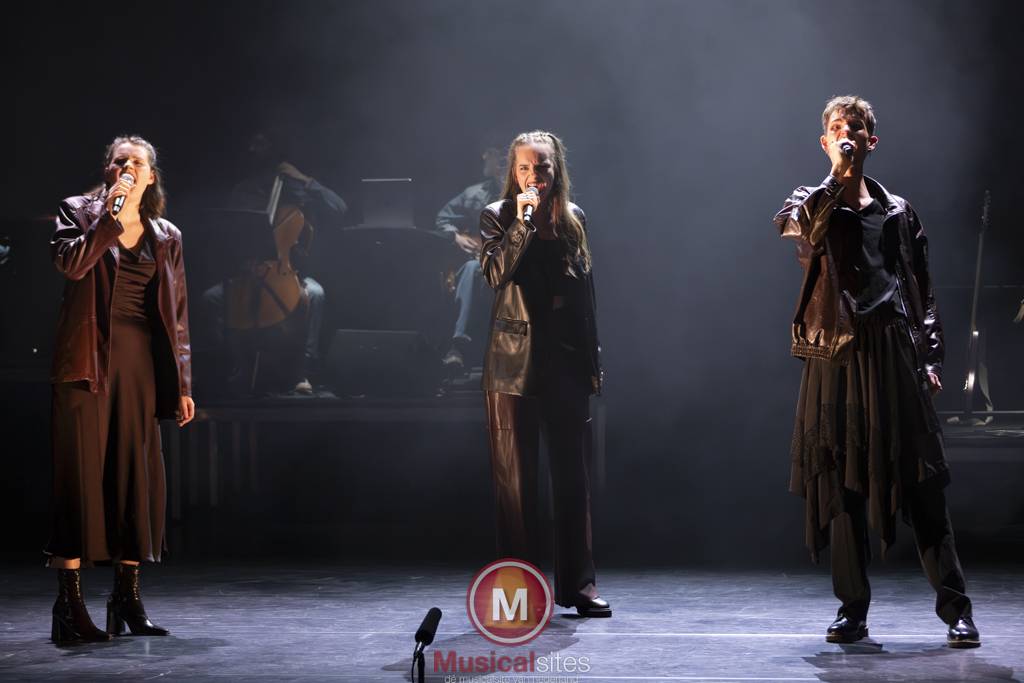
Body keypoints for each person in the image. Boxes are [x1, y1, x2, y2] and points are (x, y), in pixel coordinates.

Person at [775, 96, 979, 647]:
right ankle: (852, 609)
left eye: (857, 128)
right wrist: (834, 179)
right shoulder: (808, 201)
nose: (848, 134)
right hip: (836, 356)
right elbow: (801, 234)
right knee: (843, 481)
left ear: (872, 141)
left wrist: (931, 358)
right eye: (837, 128)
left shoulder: (898, 211)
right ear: (825, 142)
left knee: (923, 480)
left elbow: (923, 290)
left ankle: (957, 609)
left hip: (893, 352)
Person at [47, 135, 195, 644]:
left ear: (151, 177)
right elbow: (72, 265)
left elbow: (177, 316)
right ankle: (68, 606)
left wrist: (182, 383)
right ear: (108, 170)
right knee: (80, 477)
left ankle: (126, 599)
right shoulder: (78, 212)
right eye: (119, 161)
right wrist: (108, 221)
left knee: (135, 476)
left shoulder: (166, 234)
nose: (128, 167)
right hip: (87, 361)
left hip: (140, 366)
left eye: (137, 162)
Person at [479, 130, 609, 617]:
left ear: (557, 170)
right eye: (525, 168)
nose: (534, 176)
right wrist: (524, 222)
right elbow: (497, 275)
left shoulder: (574, 219)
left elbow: (586, 296)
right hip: (513, 366)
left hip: (566, 363)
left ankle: (579, 587)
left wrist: (592, 363)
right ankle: (518, 595)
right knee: (515, 487)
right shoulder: (498, 216)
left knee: (573, 481)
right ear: (513, 173)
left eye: (543, 167)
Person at [202, 132, 347, 394]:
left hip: (288, 271)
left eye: (263, 147)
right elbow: (229, 236)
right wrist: (241, 261)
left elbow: (339, 208)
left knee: (315, 294)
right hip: (247, 273)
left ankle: (303, 369)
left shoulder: (298, 191)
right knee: (211, 299)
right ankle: (235, 365)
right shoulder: (243, 191)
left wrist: (305, 181)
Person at [437, 145, 504, 371]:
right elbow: (443, 219)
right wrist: (455, 236)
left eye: (490, 153)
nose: (484, 156)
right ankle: (458, 347)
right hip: (483, 267)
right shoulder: (474, 194)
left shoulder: (529, 194)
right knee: (471, 268)